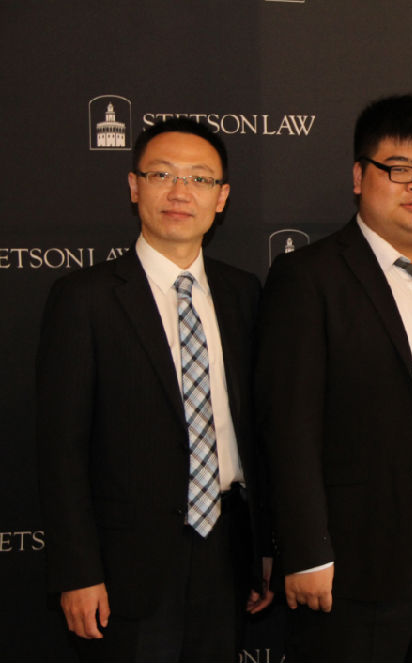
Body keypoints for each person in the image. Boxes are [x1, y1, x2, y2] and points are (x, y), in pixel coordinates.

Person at [255, 94, 412, 662]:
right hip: (347, 561)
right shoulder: (308, 277)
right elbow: (288, 428)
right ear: (358, 176)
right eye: (399, 169)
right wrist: (307, 550)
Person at [36, 117, 273, 661]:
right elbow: (60, 449)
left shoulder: (243, 293)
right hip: (125, 564)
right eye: (162, 174)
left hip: (226, 550)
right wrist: (77, 571)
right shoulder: (85, 298)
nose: (180, 192)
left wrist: (264, 546)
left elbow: (257, 429)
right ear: (134, 186)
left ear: (221, 197)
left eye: (199, 179)